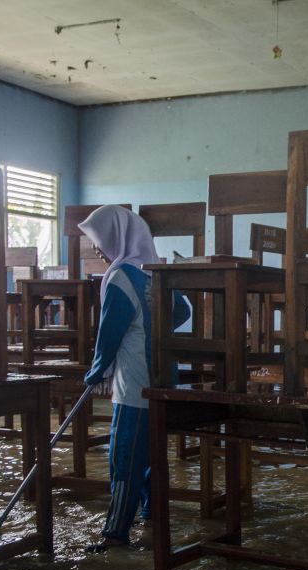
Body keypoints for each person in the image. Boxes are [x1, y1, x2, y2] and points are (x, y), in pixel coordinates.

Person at [80, 204, 189, 551]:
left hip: (134, 385)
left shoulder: (120, 277)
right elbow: (183, 309)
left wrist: (96, 372)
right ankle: (152, 514)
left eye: (100, 240)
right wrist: (153, 329)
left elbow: (108, 332)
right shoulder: (155, 274)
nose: (97, 249)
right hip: (162, 381)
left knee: (124, 456)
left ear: (117, 237)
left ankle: (115, 534)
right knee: (152, 455)